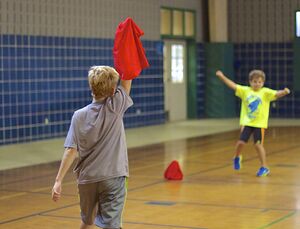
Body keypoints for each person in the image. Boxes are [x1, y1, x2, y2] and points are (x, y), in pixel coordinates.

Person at [52, 66, 133, 229]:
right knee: (112, 225)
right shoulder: (115, 107)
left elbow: (70, 150)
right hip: (113, 176)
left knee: (87, 221)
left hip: (87, 179)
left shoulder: (78, 115)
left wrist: (58, 181)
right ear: (112, 91)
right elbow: (127, 77)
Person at [216, 69, 290, 177]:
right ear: (250, 82)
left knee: (258, 145)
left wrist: (284, 92)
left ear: (263, 83)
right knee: (241, 142)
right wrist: (222, 76)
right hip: (247, 122)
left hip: (259, 124)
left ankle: (264, 167)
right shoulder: (245, 91)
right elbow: (233, 85)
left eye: (259, 82)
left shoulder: (265, 92)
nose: (257, 84)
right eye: (255, 81)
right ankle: (237, 157)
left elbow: (276, 94)